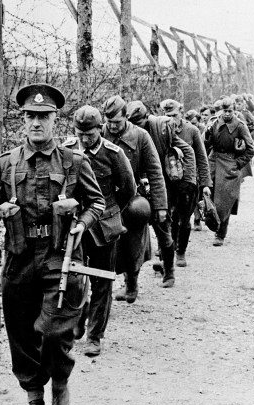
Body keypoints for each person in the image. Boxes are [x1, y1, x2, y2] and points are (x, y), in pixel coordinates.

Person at [0, 84, 105, 405]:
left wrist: (81, 220)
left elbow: (98, 204)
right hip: (20, 258)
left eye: (44, 117)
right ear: (23, 120)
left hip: (60, 257)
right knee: (21, 333)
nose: (36, 123)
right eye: (30, 117)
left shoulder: (74, 161)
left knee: (53, 330)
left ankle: (61, 388)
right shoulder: (7, 165)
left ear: (55, 120)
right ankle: (34, 403)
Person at [62, 105, 136, 357]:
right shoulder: (67, 149)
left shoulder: (113, 154)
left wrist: (111, 212)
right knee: (74, 278)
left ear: (100, 129)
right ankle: (77, 323)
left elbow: (128, 189)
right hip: (75, 226)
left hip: (104, 226)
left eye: (90, 134)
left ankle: (95, 336)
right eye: (80, 134)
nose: (84, 139)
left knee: (102, 280)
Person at [101, 95, 167, 303]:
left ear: (126, 118)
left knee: (133, 244)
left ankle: (132, 283)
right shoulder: (99, 133)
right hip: (106, 198)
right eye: (109, 122)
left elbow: (155, 172)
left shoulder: (141, 136)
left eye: (117, 122)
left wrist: (160, 205)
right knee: (106, 244)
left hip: (132, 198)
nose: (112, 127)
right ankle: (104, 290)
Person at [125, 100, 196, 287]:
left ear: (145, 119)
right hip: (137, 188)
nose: (136, 128)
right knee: (131, 236)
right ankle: (130, 281)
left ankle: (169, 271)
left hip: (159, 186)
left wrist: (187, 181)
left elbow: (187, 150)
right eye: (133, 124)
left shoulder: (160, 130)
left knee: (163, 231)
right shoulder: (126, 134)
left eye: (139, 124)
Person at [160, 98, 211, 267]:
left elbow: (202, 158)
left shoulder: (192, 131)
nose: (171, 119)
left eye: (174, 115)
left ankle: (181, 251)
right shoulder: (160, 131)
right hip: (168, 181)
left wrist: (205, 184)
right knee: (168, 218)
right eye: (167, 115)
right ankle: (169, 246)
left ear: (181, 112)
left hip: (188, 183)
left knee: (184, 218)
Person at [204, 97, 254, 246]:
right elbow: (206, 144)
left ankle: (220, 234)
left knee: (224, 201)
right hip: (213, 162)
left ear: (234, 111)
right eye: (225, 111)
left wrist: (237, 164)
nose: (227, 114)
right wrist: (207, 135)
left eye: (230, 111)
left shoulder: (239, 126)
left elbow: (251, 149)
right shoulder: (214, 123)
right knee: (209, 195)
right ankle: (212, 222)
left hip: (229, 165)